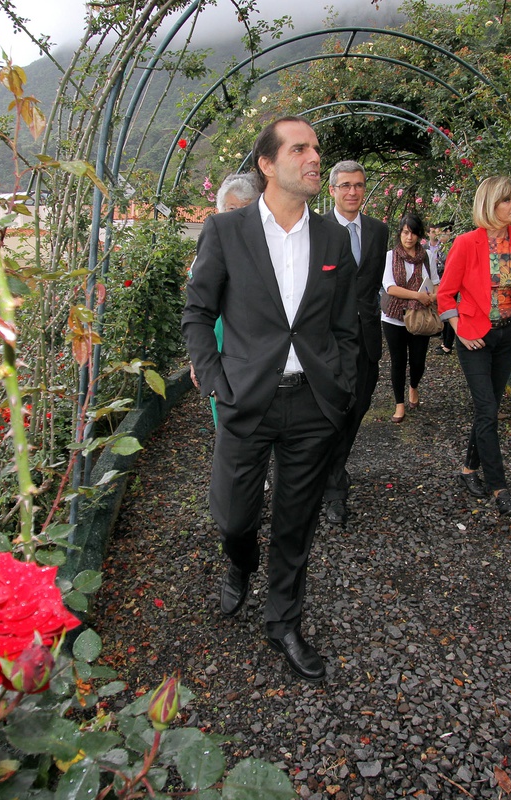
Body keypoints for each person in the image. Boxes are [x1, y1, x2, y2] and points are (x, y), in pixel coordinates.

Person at [182, 117, 359, 682]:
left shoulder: (333, 238)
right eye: (300, 148)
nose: (314, 158)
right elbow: (197, 311)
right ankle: (239, 561)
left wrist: (342, 380)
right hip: (245, 400)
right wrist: (213, 378)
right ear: (267, 164)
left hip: (311, 404)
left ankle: (284, 621)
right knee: (235, 516)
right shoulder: (226, 231)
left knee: (295, 521)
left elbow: (345, 323)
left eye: (316, 149)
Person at [437, 177, 511, 516]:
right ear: (489, 204)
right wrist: (459, 331)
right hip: (475, 337)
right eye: (507, 200)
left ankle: (469, 469)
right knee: (488, 410)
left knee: (489, 407)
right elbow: (444, 293)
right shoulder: (467, 243)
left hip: (509, 334)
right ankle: (499, 487)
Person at [321, 160, 388, 526]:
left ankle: (333, 470)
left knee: (358, 408)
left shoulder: (378, 231)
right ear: (332, 190)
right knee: (332, 411)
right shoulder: (316, 229)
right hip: (327, 341)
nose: (352, 192)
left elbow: (370, 285)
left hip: (366, 337)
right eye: (345, 185)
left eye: (359, 185)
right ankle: (333, 488)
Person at [190, 173, 261, 426]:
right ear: (219, 212)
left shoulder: (271, 250)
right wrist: (199, 359)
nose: (239, 217)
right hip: (221, 353)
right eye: (232, 210)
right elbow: (197, 311)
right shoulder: (208, 254)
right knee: (229, 428)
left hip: (263, 356)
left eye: (247, 209)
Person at [381, 213, 438, 423]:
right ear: (400, 233)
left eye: (413, 233)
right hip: (394, 317)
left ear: (419, 235)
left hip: (420, 316)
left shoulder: (427, 257)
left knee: (418, 361)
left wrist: (432, 296)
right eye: (405, 232)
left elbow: (436, 282)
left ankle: (414, 386)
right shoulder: (390, 256)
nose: (409, 237)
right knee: (398, 362)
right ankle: (399, 404)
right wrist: (417, 295)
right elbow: (390, 287)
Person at [426, 220, 457, 354]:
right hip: (439, 282)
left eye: (442, 232)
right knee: (442, 308)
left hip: (449, 282)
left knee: (450, 309)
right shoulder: (434, 247)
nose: (439, 235)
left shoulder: (451, 246)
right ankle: (443, 336)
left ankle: (447, 344)